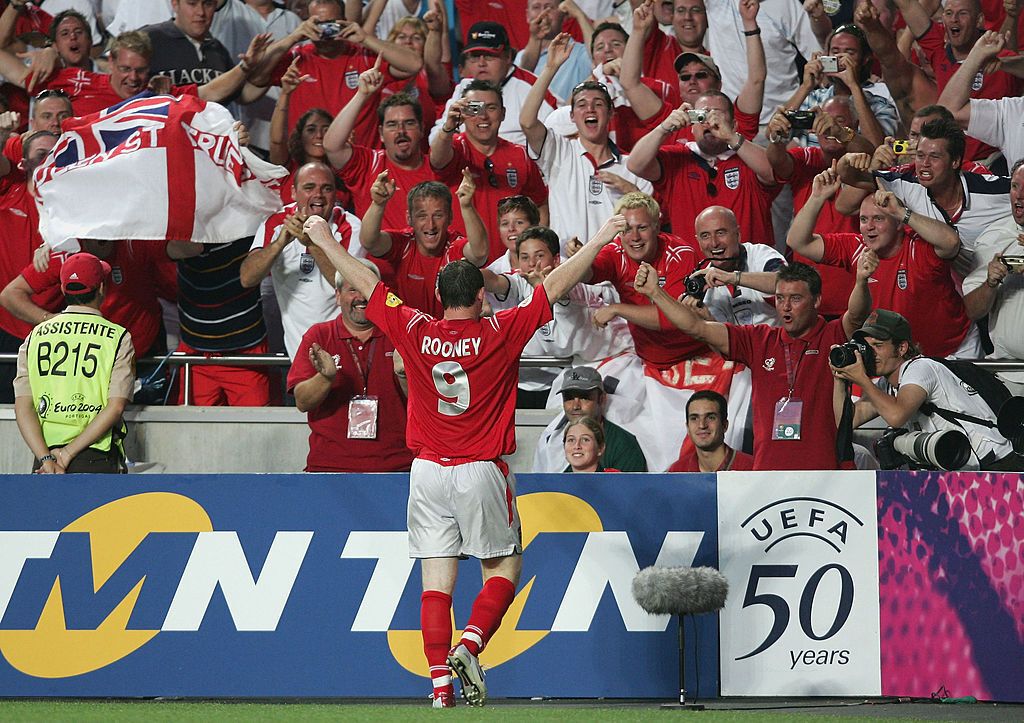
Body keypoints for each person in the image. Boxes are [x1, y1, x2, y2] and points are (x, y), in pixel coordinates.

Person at [301, 208, 627, 708]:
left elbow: (366, 281)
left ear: (439, 297)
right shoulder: (501, 329)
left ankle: (438, 691)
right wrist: (604, 235)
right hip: (479, 467)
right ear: (479, 296)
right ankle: (469, 645)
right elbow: (555, 287)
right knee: (504, 568)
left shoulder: (413, 326)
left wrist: (325, 240)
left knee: (436, 582)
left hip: (426, 471)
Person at [635, 260, 873, 470]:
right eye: (780, 298)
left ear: (817, 300)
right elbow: (697, 328)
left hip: (826, 471)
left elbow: (856, 314)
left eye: (796, 299)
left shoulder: (832, 335)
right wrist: (656, 293)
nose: (785, 307)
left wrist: (861, 281)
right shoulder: (759, 340)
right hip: (767, 474)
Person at [788, 169, 979, 359]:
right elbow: (798, 242)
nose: (869, 226)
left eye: (878, 219)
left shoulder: (918, 247)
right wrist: (817, 197)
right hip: (899, 358)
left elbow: (951, 242)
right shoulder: (855, 248)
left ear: (897, 223)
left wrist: (901, 212)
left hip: (955, 349)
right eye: (863, 219)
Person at [831, 309, 1024, 471]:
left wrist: (862, 380)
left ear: (902, 348)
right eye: (867, 346)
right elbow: (847, 422)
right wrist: (840, 378)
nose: (871, 353)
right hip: (966, 464)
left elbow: (897, 415)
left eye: (878, 345)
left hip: (997, 463)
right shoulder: (885, 384)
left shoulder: (920, 367)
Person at [520, 33, 651, 256]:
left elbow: (651, 222)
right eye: (581, 105)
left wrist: (631, 192)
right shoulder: (558, 152)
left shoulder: (633, 167)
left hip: (618, 275)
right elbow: (527, 121)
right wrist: (551, 68)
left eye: (597, 104)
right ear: (572, 116)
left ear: (610, 113)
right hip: (567, 270)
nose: (589, 109)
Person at [484, 227, 633, 407]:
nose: (532, 263)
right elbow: (492, 281)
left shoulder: (569, 281)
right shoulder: (523, 281)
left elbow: (557, 292)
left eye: (539, 256)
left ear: (556, 259)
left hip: (619, 355)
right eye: (524, 257)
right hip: (584, 361)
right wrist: (466, 273)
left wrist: (542, 288)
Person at [287, 259, 413, 472]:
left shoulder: (400, 334)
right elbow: (302, 402)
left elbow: (424, 405)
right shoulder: (319, 336)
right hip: (328, 469)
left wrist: (402, 375)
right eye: (353, 289)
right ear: (337, 295)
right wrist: (325, 378)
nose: (361, 297)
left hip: (396, 468)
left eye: (366, 288)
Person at [13, 253, 135, 473]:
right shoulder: (118, 337)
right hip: (95, 457)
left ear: (63, 289)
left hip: (45, 463)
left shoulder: (35, 336)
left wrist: (46, 459)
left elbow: (23, 406)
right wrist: (67, 454)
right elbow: (115, 407)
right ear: (100, 288)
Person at [241, 161, 362, 359]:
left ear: (335, 194)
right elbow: (247, 278)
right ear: (293, 193)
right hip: (297, 354)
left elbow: (352, 287)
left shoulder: (350, 227)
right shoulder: (276, 223)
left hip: (345, 349)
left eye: (327, 188)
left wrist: (312, 244)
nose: (318, 195)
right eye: (309, 188)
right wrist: (279, 243)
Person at [627, 91, 778, 243]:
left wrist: (731, 137)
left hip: (750, 265)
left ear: (733, 124)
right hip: (693, 265)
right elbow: (635, 165)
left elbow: (775, 171)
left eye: (717, 114)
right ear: (692, 126)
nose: (709, 121)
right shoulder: (676, 158)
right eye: (702, 115)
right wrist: (663, 128)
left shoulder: (750, 158)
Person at [430, 80, 548, 261]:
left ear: (503, 114)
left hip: (510, 271)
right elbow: (436, 159)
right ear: (463, 114)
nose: (483, 116)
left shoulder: (520, 155)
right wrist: (448, 128)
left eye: (491, 108)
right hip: (462, 266)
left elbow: (539, 203)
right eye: (475, 109)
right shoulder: (455, 149)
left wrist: (536, 248)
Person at [323, 64, 438, 228]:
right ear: (381, 133)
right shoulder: (368, 164)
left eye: (409, 123)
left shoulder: (439, 168)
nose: (401, 131)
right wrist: (362, 95)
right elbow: (331, 146)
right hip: (379, 253)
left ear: (421, 128)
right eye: (392, 125)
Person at [430, 21, 556, 147]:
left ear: (508, 57)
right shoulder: (464, 87)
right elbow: (434, 139)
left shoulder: (532, 86)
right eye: (475, 56)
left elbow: (559, 134)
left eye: (489, 56)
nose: (481, 63)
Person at [963, 159, 1024, 395]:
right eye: (1015, 186)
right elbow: (970, 310)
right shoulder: (995, 238)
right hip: (1010, 374)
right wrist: (990, 284)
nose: (1020, 197)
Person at [533, 365, 647, 473]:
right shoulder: (550, 439)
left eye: (584, 397)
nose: (575, 406)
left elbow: (628, 491)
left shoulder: (623, 443)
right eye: (569, 398)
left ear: (601, 399)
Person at [515, 0, 591, 100]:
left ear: (564, 14)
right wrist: (535, 39)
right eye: (536, 7)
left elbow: (598, 58)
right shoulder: (520, 56)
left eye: (549, 7)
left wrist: (580, 15)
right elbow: (520, 83)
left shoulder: (580, 53)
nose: (542, 13)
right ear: (528, 15)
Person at [668, 390, 754, 472]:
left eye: (710, 417)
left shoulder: (753, 468)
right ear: (687, 427)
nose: (702, 425)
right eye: (694, 418)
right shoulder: (677, 470)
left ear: (724, 425)